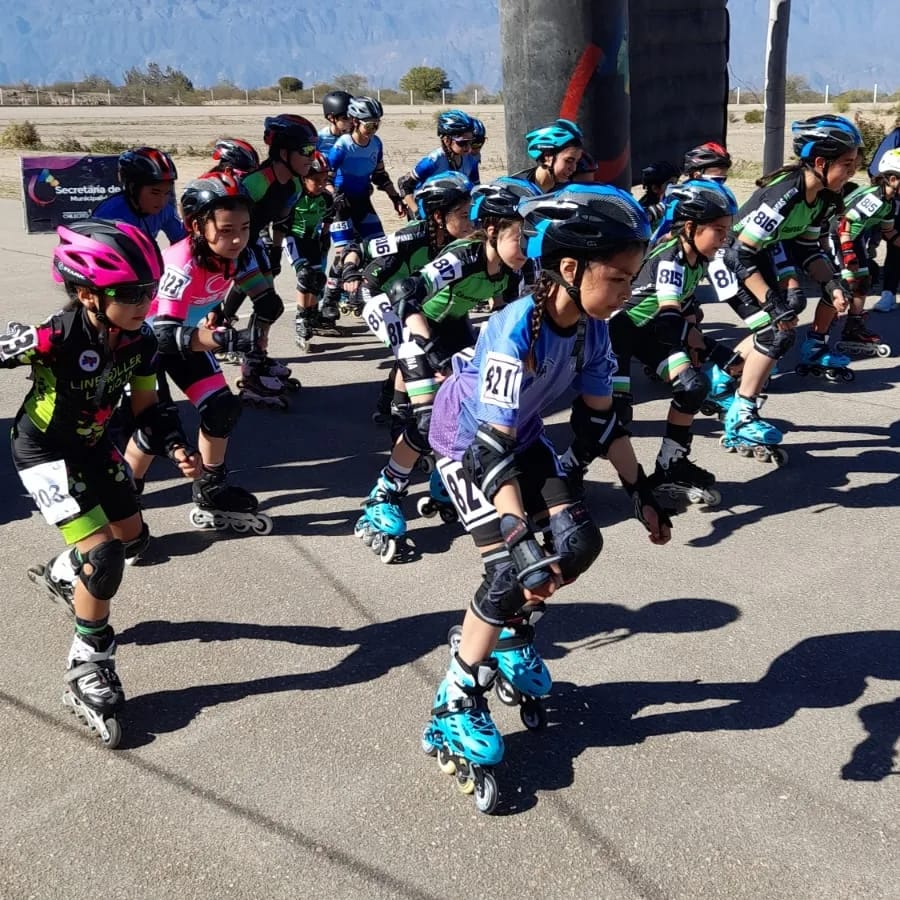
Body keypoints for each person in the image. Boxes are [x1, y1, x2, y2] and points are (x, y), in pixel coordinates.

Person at [420, 184, 671, 813]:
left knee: (578, 543)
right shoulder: (514, 330)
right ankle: (453, 697)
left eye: (631, 278)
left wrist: (638, 490)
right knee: (514, 567)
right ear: (568, 268)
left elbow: (600, 424)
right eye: (616, 278)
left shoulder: (593, 330)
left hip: (520, 438)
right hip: (465, 443)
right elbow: (489, 449)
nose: (626, 292)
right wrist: (514, 530)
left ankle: (508, 637)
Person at [2, 220, 200, 747]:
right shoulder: (58, 334)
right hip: (43, 451)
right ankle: (88, 663)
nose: (144, 302)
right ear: (88, 293)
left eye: (150, 290)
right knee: (105, 557)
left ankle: (65, 572)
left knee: (134, 539)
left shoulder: (137, 342)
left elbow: (145, 407)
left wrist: (176, 443)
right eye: (131, 294)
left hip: (92, 447)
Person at [354, 177, 540, 562]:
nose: (527, 247)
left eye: (532, 239)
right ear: (491, 230)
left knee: (469, 411)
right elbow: (407, 296)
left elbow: (509, 313)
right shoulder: (462, 257)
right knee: (426, 422)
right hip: (412, 320)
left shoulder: (514, 265)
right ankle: (383, 493)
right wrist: (433, 353)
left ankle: (443, 481)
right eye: (521, 237)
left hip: (452, 321)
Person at [560, 180, 738, 507]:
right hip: (617, 332)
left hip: (644, 330)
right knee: (615, 415)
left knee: (692, 387)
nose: (725, 238)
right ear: (690, 226)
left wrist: (707, 345)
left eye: (727, 230)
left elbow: (678, 315)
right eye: (718, 229)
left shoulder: (696, 258)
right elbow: (671, 320)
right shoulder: (672, 258)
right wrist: (715, 349)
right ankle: (568, 466)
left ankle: (671, 462)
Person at [123, 172, 273, 534]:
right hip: (145, 342)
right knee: (155, 428)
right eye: (224, 230)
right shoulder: (182, 262)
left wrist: (259, 330)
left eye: (245, 227)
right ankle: (124, 503)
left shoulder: (240, 253)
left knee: (222, 409)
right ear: (196, 226)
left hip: (186, 337)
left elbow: (267, 300)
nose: (237, 238)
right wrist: (225, 340)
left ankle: (210, 487)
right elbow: (163, 336)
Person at [709, 114, 862, 461]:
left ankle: (721, 375)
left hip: (759, 256)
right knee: (776, 331)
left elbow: (808, 248)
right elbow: (739, 254)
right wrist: (771, 303)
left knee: (782, 319)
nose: (853, 172)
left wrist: (832, 283)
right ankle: (741, 416)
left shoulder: (824, 197)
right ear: (820, 162)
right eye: (847, 164)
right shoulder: (786, 193)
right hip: (730, 259)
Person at [217, 114, 318, 409]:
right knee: (266, 305)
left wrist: (274, 254)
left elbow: (281, 223)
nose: (313, 158)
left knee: (270, 306)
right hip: (235, 245)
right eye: (307, 151)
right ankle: (250, 370)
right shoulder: (257, 182)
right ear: (284, 152)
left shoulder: (296, 185)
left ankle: (256, 357)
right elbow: (227, 216)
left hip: (254, 243)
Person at [830, 149, 898, 354]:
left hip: (854, 238)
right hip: (836, 236)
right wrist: (848, 253)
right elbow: (845, 223)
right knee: (845, 283)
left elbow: (890, 232)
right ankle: (819, 333)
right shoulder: (874, 197)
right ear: (893, 179)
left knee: (865, 280)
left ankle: (853, 326)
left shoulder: (889, 202)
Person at [286, 151, 337, 352]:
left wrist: (325, 237)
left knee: (317, 280)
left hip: (313, 240)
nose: (321, 184)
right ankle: (301, 318)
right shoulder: (294, 196)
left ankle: (310, 315)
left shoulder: (326, 198)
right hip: (293, 239)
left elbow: (328, 219)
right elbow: (278, 219)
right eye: (316, 180)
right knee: (305, 276)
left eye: (325, 180)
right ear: (303, 178)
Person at [92, 147, 186, 244]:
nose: (162, 201)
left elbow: (182, 242)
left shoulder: (164, 210)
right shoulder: (108, 216)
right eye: (155, 193)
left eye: (167, 193)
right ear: (133, 188)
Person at [397, 109, 480, 216]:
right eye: (462, 143)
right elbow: (405, 184)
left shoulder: (471, 159)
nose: (468, 148)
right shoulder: (433, 160)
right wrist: (418, 213)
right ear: (446, 140)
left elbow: (475, 189)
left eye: (471, 142)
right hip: (425, 210)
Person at [512, 118, 584, 192]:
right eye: (568, 161)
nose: (573, 168)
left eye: (576, 162)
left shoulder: (571, 191)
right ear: (548, 157)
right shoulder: (516, 190)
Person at [637, 161, 681, 227]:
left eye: (676, 183)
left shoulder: (673, 203)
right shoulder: (642, 212)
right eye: (670, 183)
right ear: (655, 188)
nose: (674, 187)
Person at [317, 90, 354, 156]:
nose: (351, 121)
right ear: (331, 118)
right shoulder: (319, 138)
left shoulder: (356, 137)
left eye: (353, 117)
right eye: (345, 118)